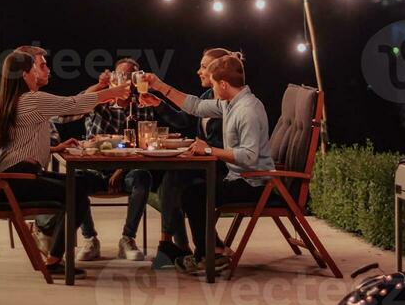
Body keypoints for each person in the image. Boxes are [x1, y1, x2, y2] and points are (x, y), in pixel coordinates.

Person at [0, 47, 129, 276]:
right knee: (76, 193)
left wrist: (53, 147)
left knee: (81, 182)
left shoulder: (12, 100)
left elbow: (20, 141)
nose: (41, 70)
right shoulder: (32, 100)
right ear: (26, 74)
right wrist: (113, 91)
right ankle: (53, 260)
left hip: (14, 175)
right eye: (37, 67)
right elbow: (73, 105)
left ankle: (54, 250)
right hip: (17, 179)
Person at [146, 54, 272, 276]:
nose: (212, 88)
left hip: (253, 183)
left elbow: (249, 157)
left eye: (214, 84)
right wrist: (159, 86)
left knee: (194, 194)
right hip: (237, 177)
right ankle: (209, 252)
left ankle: (208, 254)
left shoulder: (247, 110)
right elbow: (195, 106)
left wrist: (208, 150)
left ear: (223, 84)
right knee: (192, 192)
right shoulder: (230, 104)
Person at [147, 47, 233, 268]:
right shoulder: (207, 96)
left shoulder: (231, 102)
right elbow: (183, 120)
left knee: (174, 180)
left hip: (222, 168)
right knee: (170, 181)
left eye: (204, 66)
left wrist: (202, 148)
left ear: (219, 70)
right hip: (206, 163)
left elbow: (230, 145)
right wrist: (158, 104)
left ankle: (172, 245)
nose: (198, 71)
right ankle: (184, 245)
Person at [83, 57, 171, 261]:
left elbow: (142, 145)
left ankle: (128, 238)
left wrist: (121, 168)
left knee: (143, 177)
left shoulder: (141, 105)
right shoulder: (100, 102)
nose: (125, 80)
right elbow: (74, 107)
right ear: (113, 77)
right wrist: (101, 86)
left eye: (130, 76)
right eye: (121, 75)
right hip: (94, 170)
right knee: (75, 179)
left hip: (125, 172)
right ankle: (90, 239)